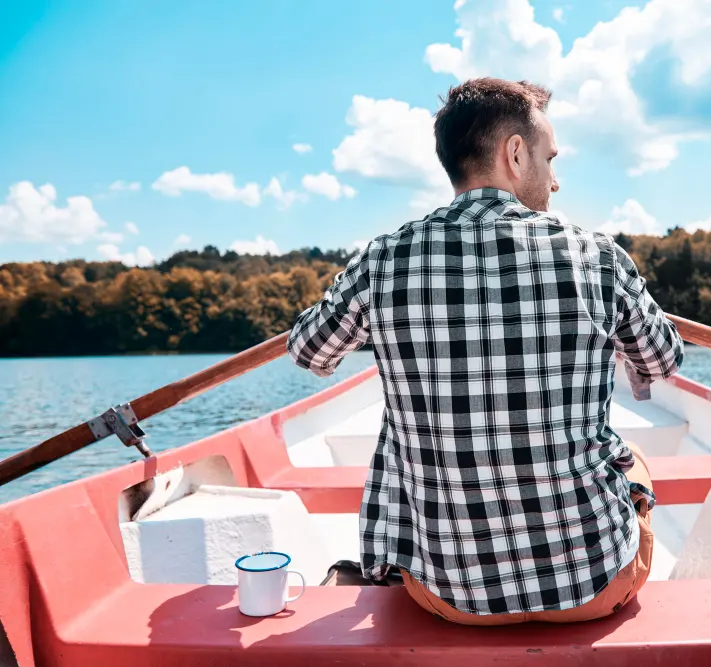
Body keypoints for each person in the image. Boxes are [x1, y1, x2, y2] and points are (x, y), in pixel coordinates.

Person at [286, 77, 684, 624]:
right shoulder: (599, 257)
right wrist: (628, 362)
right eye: (549, 157)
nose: (556, 179)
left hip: (451, 599)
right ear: (515, 154)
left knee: (399, 435)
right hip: (593, 587)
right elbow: (663, 359)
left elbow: (310, 353)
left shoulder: (381, 261)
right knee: (632, 459)